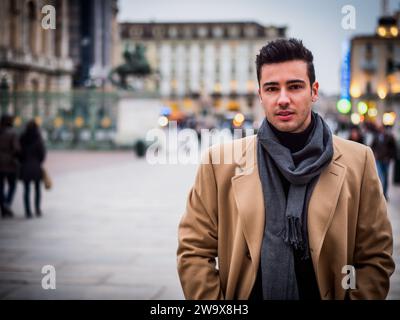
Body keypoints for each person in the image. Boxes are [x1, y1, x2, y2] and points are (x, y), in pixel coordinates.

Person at [177, 39, 394, 300]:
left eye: (294, 87)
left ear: (314, 91)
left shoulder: (359, 161)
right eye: (271, 88)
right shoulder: (219, 162)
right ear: (260, 95)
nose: (282, 99)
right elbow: (194, 251)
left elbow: (375, 257)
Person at [19, 120, 46, 218]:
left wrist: (22, 161)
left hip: (25, 166)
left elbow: (19, 153)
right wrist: (39, 162)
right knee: (37, 189)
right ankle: (37, 209)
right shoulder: (38, 138)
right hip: (36, 166)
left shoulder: (22, 138)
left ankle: (28, 211)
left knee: (26, 189)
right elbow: (42, 154)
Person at [0, 114, 20, 218]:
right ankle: (7, 204)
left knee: (1, 186)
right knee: (12, 185)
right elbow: (16, 149)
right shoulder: (13, 133)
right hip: (10, 163)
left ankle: (3, 205)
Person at [371, 124, 398, 200]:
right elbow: (372, 146)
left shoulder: (389, 137)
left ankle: (384, 194)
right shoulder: (376, 137)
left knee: (385, 177)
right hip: (378, 159)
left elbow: (393, 148)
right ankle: (379, 193)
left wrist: (390, 157)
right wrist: (374, 154)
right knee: (379, 176)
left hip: (386, 160)